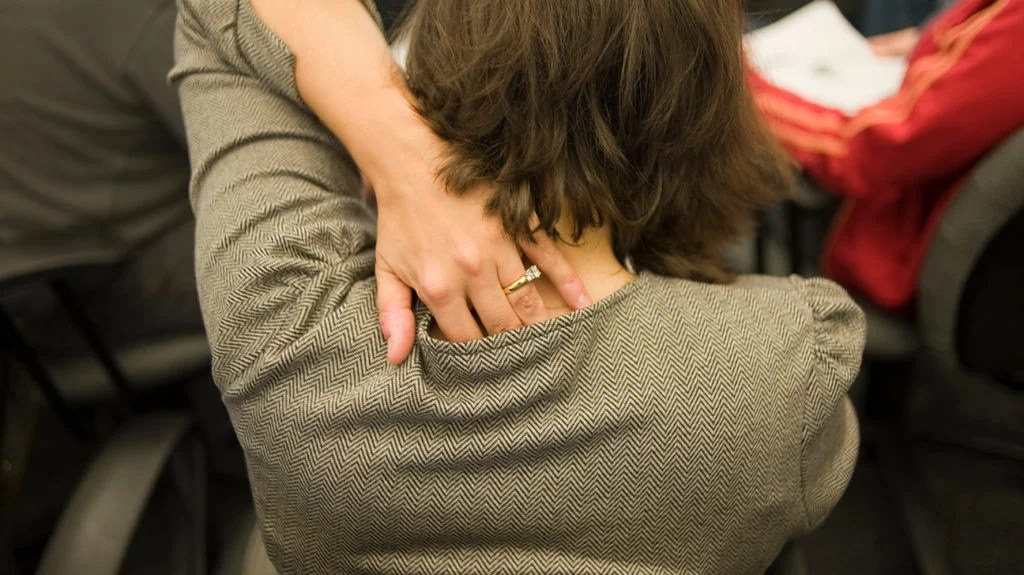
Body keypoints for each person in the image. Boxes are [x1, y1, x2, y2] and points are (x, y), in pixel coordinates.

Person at [173, 0, 865, 573]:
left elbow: (217, 16)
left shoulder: (290, 337)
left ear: (438, 58)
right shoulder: (783, 373)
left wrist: (402, 152)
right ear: (701, 104)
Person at [749, 0, 1024, 312]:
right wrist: (929, 43)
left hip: (875, 236)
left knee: (720, 50)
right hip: (923, 208)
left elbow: (861, 154)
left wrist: (744, 89)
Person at [0, 0, 202, 349]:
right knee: (307, 234)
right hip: (100, 279)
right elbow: (250, 146)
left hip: (28, 297)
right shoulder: (133, 18)